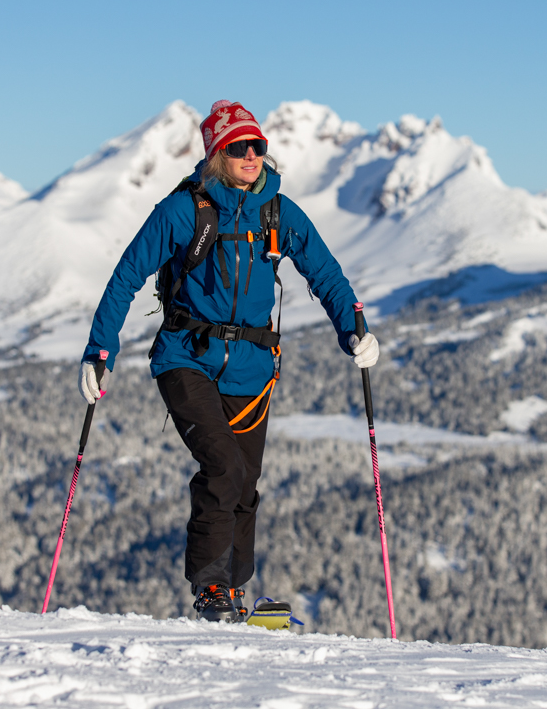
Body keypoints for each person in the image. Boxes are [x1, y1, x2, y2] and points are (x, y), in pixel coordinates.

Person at [78, 100, 379, 622]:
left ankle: (234, 592)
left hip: (252, 368)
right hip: (185, 357)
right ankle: (210, 590)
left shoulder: (277, 212)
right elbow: (126, 276)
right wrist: (100, 350)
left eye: (257, 145)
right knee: (223, 467)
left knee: (245, 482)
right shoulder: (183, 210)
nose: (250, 155)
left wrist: (353, 329)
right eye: (238, 146)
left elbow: (326, 275)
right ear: (217, 153)